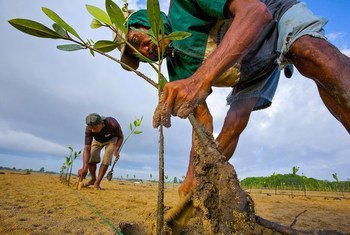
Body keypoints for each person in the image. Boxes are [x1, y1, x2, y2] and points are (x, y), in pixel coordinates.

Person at [120, 0, 350, 203]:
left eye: (138, 39)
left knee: (311, 53)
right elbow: (202, 123)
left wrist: (199, 80)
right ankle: (203, 188)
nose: (145, 49)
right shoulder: (177, 68)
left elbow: (256, 13)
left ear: (148, 21)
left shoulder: (185, 5)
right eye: (137, 53)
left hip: (275, 10)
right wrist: (192, 176)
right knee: (233, 125)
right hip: (252, 72)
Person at [78, 113, 124, 189]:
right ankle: (93, 179)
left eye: (95, 128)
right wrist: (84, 167)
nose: (92, 130)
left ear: (102, 124)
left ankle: (97, 183)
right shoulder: (89, 129)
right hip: (97, 140)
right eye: (91, 128)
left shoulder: (113, 124)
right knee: (90, 158)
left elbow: (121, 136)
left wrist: (116, 149)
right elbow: (87, 148)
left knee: (106, 158)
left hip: (111, 140)